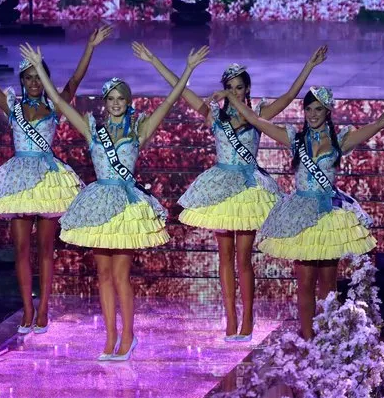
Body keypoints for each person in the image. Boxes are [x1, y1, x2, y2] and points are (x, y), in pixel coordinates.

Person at [20, 42, 208, 360]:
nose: (117, 103)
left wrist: (187, 69)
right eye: (112, 99)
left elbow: (172, 100)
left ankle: (128, 336)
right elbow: (58, 103)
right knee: (103, 275)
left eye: (122, 98)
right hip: (98, 205)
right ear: (105, 103)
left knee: (121, 275)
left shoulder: (139, 128)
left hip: (126, 208)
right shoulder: (93, 129)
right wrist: (39, 68)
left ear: (128, 102)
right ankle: (109, 338)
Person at [132, 42, 328, 340]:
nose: (235, 92)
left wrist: (309, 67)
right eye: (230, 87)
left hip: (249, 191)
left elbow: (289, 96)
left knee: (243, 258)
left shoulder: (258, 112)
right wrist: (153, 59)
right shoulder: (214, 115)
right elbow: (180, 89)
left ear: (247, 89)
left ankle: (248, 317)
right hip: (221, 189)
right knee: (224, 257)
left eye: (239, 87)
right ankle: (230, 319)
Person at [0, 27, 113, 334]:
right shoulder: (13, 107)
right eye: (28, 77)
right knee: (21, 249)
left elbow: (75, 80)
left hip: (48, 181)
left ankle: (44, 308)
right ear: (21, 81)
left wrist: (90, 46)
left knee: (46, 249)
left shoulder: (54, 104)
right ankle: (27, 309)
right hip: (19, 179)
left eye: (38, 77)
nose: (34, 83)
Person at [221, 85, 384, 339]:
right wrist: (232, 97)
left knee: (328, 284)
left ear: (328, 111)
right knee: (305, 282)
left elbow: (377, 124)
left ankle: (327, 337)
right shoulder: (295, 139)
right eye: (308, 109)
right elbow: (255, 119)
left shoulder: (341, 140)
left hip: (329, 215)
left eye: (318, 109)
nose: (312, 114)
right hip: (301, 214)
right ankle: (308, 338)